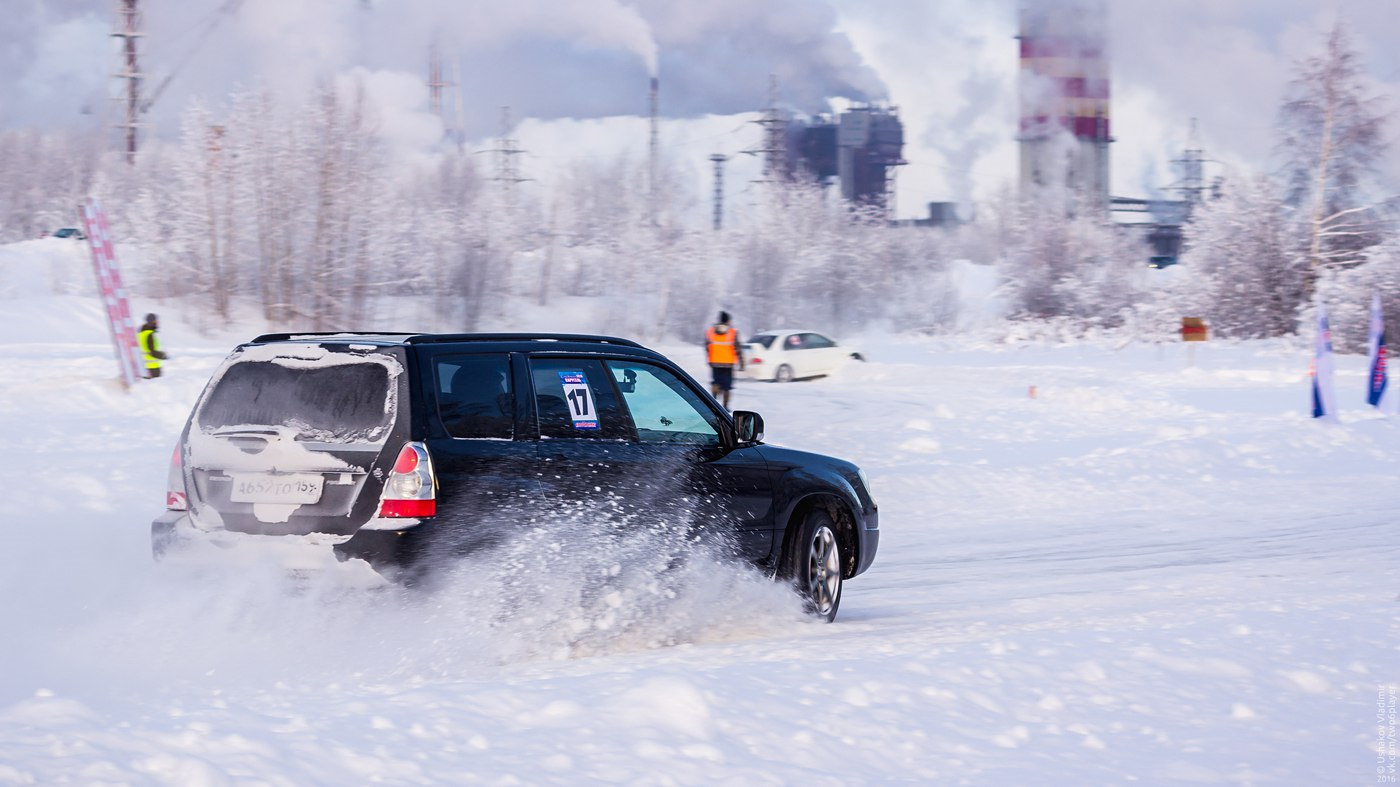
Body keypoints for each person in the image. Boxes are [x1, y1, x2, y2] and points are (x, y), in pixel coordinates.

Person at [705, 310, 745, 409]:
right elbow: (738, 348)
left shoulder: (711, 331)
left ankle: (713, 402)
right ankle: (725, 407)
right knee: (727, 386)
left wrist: (710, 358)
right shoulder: (732, 332)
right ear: (728, 321)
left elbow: (707, 346)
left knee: (715, 382)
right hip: (728, 364)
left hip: (715, 362)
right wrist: (741, 362)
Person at [138, 313, 168, 379]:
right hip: (153, 369)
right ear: (152, 321)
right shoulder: (149, 334)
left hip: (144, 367)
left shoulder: (140, 334)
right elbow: (152, 352)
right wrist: (163, 355)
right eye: (156, 321)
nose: (158, 322)